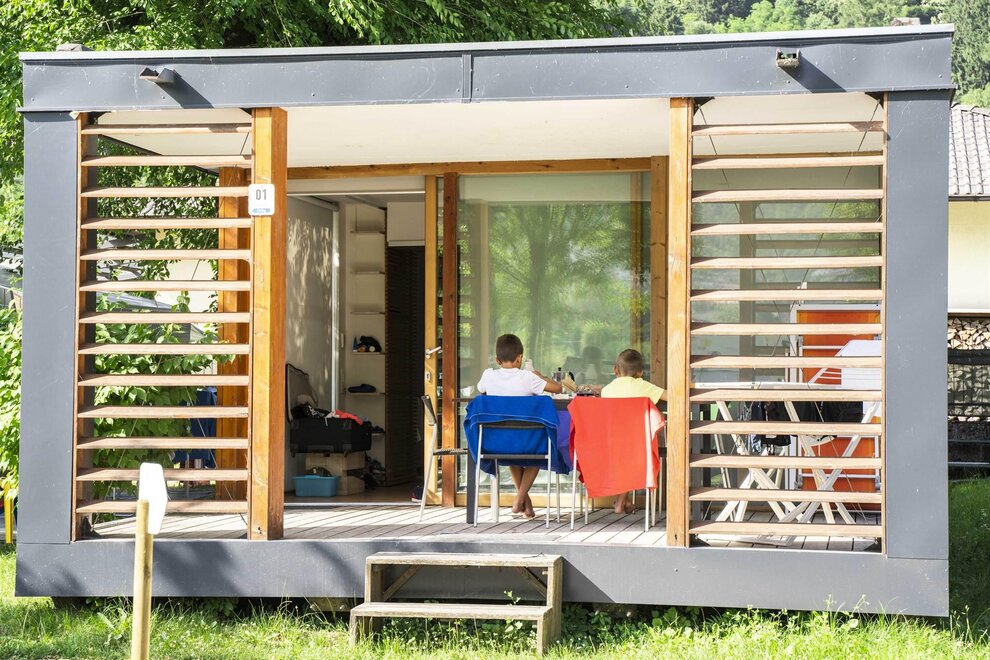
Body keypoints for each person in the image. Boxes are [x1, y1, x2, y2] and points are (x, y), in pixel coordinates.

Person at [477, 333, 563, 519]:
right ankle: (520, 500)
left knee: (512, 451)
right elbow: (558, 388)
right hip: (529, 442)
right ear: (520, 358)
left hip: (497, 443)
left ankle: (526, 504)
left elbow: (480, 389)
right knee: (541, 448)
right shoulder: (528, 377)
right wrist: (539, 376)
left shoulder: (488, 375)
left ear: (497, 360)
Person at [600, 348, 666, 514]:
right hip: (637, 442)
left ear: (615, 370)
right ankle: (620, 501)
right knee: (629, 456)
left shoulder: (606, 390)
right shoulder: (643, 386)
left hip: (609, 442)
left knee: (622, 458)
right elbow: (672, 396)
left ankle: (624, 500)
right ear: (640, 372)